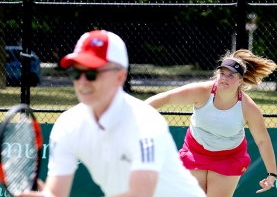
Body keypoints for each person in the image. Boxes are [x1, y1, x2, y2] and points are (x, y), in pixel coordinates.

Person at [17, 30, 206, 197]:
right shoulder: (68, 125)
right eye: (76, 72)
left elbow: (141, 193)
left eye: (92, 73)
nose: (82, 81)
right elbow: (56, 193)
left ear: (120, 77)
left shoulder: (145, 122)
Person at [145, 49, 277, 197]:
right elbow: (167, 97)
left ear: (240, 81)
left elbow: (263, 140)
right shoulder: (202, 91)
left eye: (231, 75)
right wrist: (136, 113)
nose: (225, 78)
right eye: (222, 73)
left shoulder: (248, 107)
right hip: (195, 151)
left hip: (229, 157)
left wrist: (272, 174)